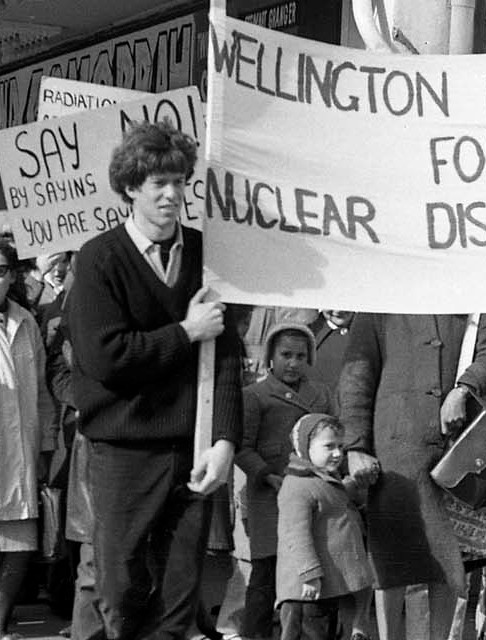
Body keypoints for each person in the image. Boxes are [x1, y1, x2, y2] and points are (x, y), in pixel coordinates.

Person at [69, 120, 243, 640]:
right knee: (119, 592)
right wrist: (186, 332)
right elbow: (107, 358)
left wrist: (226, 441)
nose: (172, 195)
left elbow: (228, 356)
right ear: (129, 189)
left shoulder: (205, 255)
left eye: (179, 183)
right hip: (123, 451)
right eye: (158, 185)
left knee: (178, 599)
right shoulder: (100, 258)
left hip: (191, 448)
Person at [338, 313, 486, 640]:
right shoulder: (380, 303)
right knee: (391, 563)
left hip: (457, 456)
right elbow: (356, 377)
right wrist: (355, 446)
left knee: (447, 564)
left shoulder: (475, 300)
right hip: (393, 459)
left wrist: (464, 389)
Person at [235, 323, 333, 640]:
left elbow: (334, 438)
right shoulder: (254, 396)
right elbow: (241, 447)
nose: (293, 362)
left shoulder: (322, 396)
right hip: (269, 499)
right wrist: (266, 474)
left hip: (312, 497)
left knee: (311, 572)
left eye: (300, 356)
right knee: (266, 573)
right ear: (271, 357)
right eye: (285, 354)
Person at [0, 239, 55, 640]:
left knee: (18, 548)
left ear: (13, 275)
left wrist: (48, 446)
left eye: (2, 270)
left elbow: (41, 392)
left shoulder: (26, 322)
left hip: (22, 450)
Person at [276, 414, 373, 640]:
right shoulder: (297, 487)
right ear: (304, 447)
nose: (338, 453)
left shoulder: (323, 480)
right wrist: (309, 574)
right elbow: (296, 536)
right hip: (306, 590)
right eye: (329, 446)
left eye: (340, 446)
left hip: (328, 585)